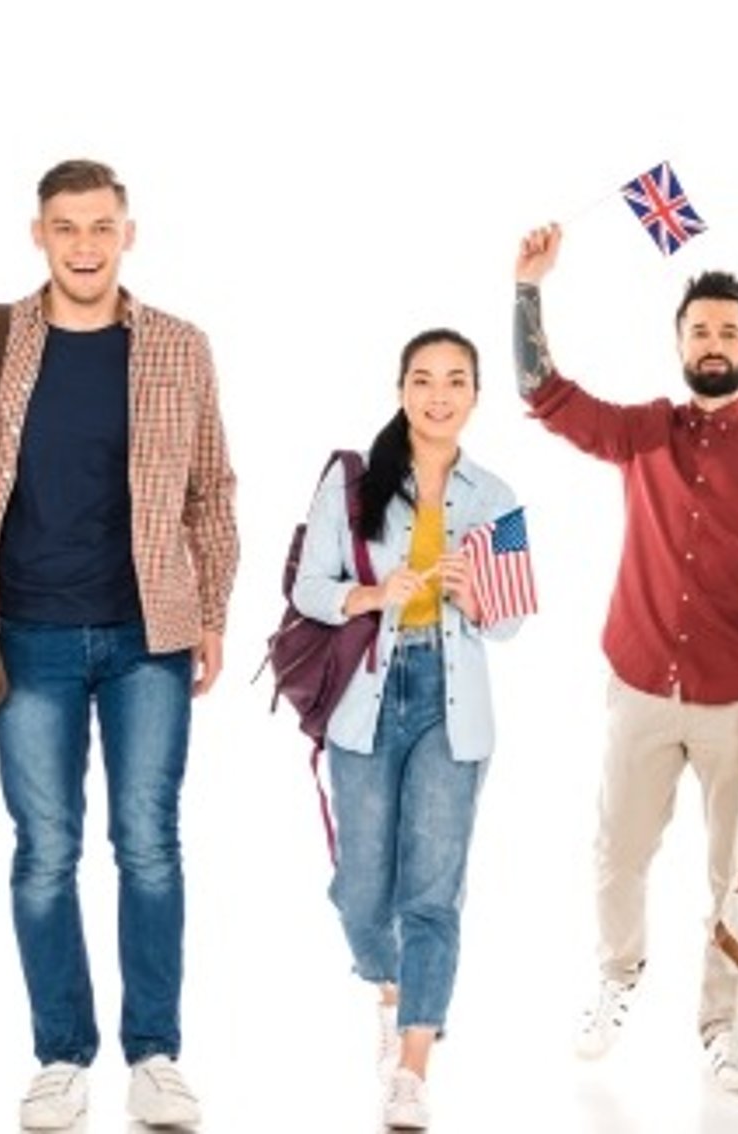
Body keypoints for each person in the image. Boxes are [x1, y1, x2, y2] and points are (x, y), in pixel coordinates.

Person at [0, 159, 237, 1130]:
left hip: (148, 634)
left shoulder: (179, 348)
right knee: (45, 850)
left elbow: (213, 491)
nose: (84, 245)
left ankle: (155, 1054)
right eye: (66, 227)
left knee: (149, 845)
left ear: (128, 233)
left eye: (101, 227)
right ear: (39, 234)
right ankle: (60, 1055)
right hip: (21, 633)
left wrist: (213, 614)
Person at [511, 223, 738, 1091]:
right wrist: (528, 289)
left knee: (735, 871)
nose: (714, 343)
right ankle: (618, 977)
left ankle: (723, 1030)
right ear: (679, 343)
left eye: (729, 330)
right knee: (619, 851)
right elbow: (542, 392)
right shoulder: (645, 432)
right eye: (700, 331)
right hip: (642, 680)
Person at [291, 327, 526, 1130]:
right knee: (362, 892)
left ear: (475, 396)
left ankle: (413, 1067)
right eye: (423, 379)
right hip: (367, 697)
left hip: (452, 703)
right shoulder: (353, 486)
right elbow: (308, 591)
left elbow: (513, 621)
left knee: (432, 891)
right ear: (401, 390)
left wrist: (474, 594)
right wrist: (374, 594)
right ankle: (391, 989)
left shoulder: (498, 497)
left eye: (456, 380)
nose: (438, 394)